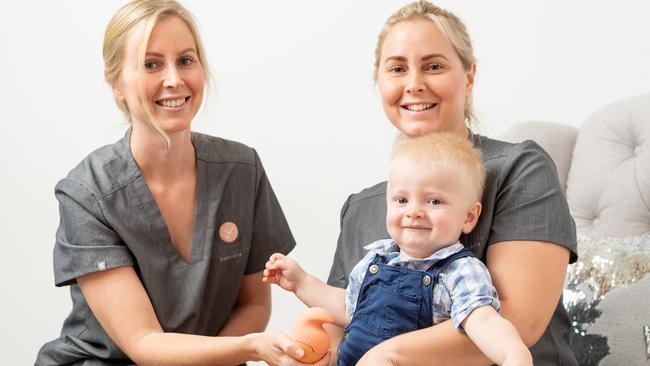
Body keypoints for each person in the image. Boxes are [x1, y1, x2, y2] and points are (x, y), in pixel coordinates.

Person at [35, 1, 329, 365]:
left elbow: (253, 303)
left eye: (186, 60)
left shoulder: (242, 170)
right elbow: (143, 343)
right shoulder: (87, 193)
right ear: (117, 83)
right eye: (151, 64)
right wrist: (251, 347)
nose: (174, 79)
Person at [326, 1, 578, 365]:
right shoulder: (361, 207)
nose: (413, 84)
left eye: (433, 66)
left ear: (469, 77)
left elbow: (521, 321)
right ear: (379, 82)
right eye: (397, 68)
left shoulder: (519, 169)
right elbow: (341, 317)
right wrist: (307, 345)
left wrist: (388, 355)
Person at [264, 133, 533, 366]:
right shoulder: (377, 259)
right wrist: (302, 282)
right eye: (402, 199)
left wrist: (513, 354)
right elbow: (348, 309)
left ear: (469, 217)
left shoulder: (460, 271)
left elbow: (483, 322)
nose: (413, 212)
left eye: (434, 201)